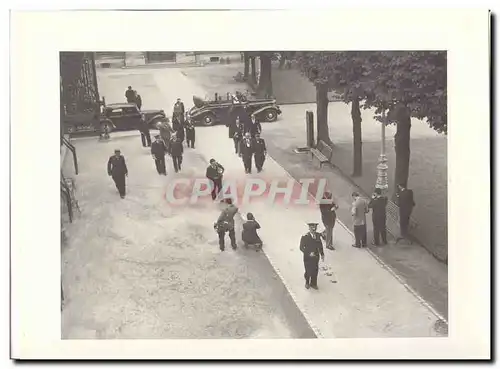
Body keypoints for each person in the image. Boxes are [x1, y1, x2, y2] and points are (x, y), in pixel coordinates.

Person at [299, 223, 325, 290]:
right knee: (308, 270)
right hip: (308, 257)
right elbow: (301, 247)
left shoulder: (317, 235)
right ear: (309, 228)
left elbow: (320, 245)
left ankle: (314, 283)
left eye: (315, 228)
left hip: (316, 256)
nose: (313, 230)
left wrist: (322, 254)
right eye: (312, 228)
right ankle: (307, 282)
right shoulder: (305, 237)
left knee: (315, 270)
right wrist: (308, 253)